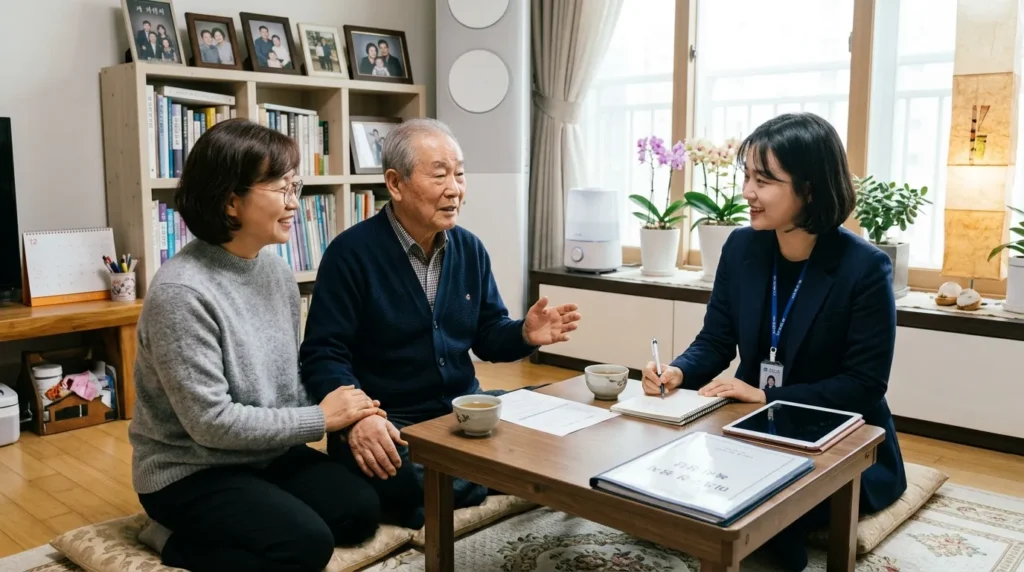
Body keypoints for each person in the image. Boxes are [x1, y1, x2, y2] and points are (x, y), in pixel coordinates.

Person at [642, 112, 907, 571]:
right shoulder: (741, 248)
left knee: (766, 517)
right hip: (748, 423)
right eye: (747, 176)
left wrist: (769, 396)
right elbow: (716, 339)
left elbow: (864, 385)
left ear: (810, 189)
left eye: (763, 181)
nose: (747, 192)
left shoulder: (864, 267)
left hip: (833, 433)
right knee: (663, 482)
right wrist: (679, 370)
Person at [300, 118, 581, 530]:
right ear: (395, 183)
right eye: (439, 175)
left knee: (557, 415)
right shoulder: (350, 254)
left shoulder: (469, 248)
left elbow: (488, 336)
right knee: (397, 471)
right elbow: (322, 355)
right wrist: (360, 419)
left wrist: (523, 334)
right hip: (389, 420)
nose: (454, 189)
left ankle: (454, 484)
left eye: (459, 174)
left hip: (463, 410)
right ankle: (497, 477)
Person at [129, 119, 383, 572]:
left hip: (264, 453)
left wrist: (353, 409)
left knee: (360, 511)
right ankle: (168, 540)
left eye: (294, 186)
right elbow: (210, 425)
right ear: (231, 201)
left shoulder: (276, 272)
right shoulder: (181, 294)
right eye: (281, 188)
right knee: (306, 546)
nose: (293, 202)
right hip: (189, 470)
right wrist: (321, 418)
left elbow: (287, 380)